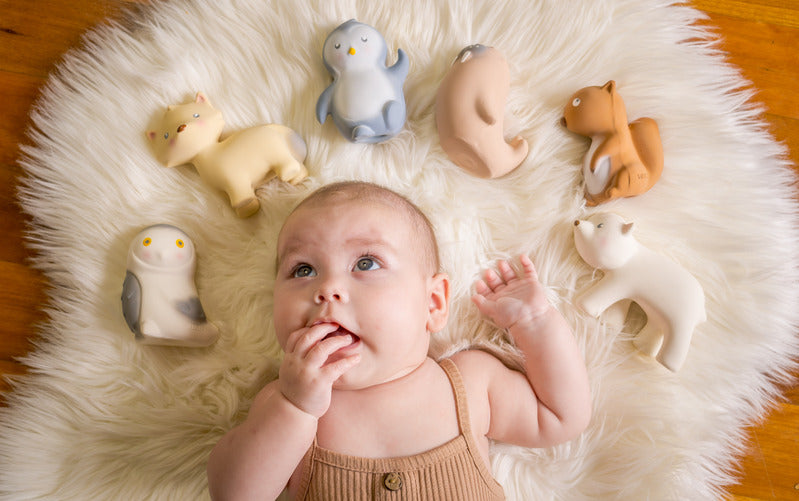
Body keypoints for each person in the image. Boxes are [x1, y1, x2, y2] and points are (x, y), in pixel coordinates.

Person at [207, 181, 591, 500]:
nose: (328, 289)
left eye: (366, 263)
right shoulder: (286, 406)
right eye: (303, 269)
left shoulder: (470, 384)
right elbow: (235, 495)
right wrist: (295, 409)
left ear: (433, 303)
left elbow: (561, 417)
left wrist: (535, 322)